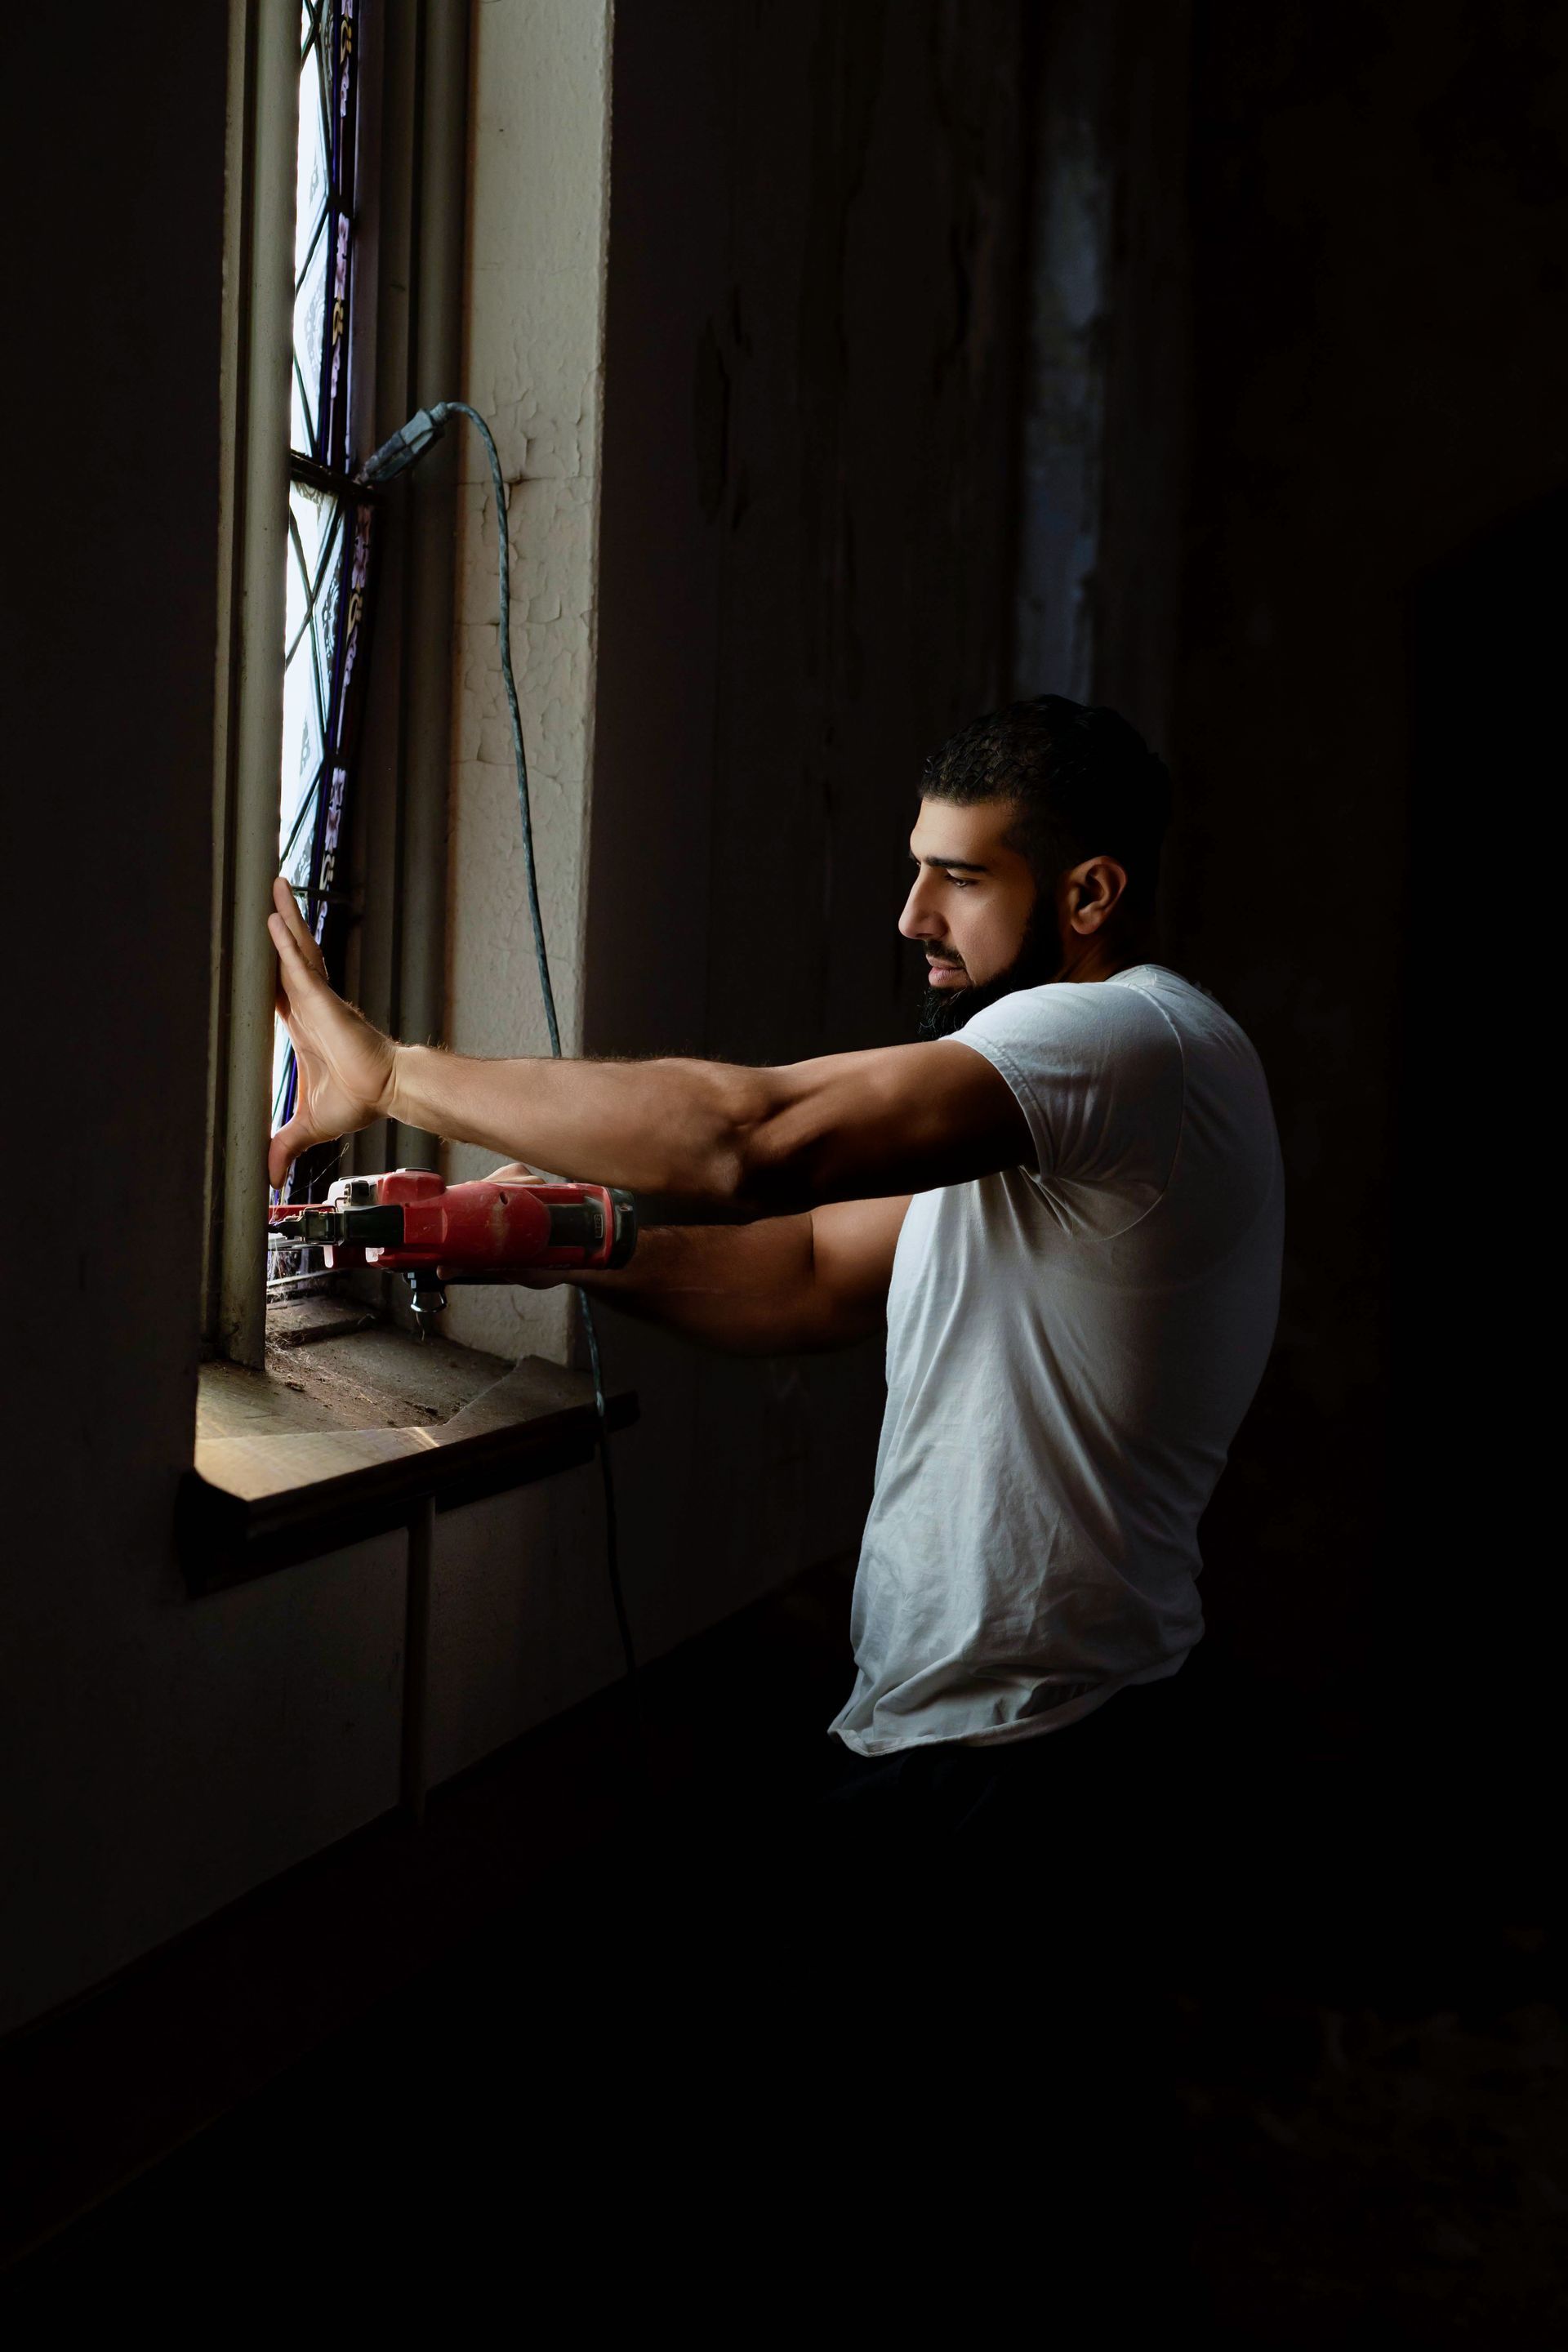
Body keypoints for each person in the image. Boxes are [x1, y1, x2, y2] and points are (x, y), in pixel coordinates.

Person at [270, 697, 1281, 2278]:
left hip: (1032, 1770)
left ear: (1087, 895)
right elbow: (808, 1274)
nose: (912, 918)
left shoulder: (1119, 1039)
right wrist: (561, 1239)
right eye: (912, 869)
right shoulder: (1041, 1112)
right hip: (982, 1742)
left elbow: (757, 1141)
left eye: (958, 878)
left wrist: (394, 1066)